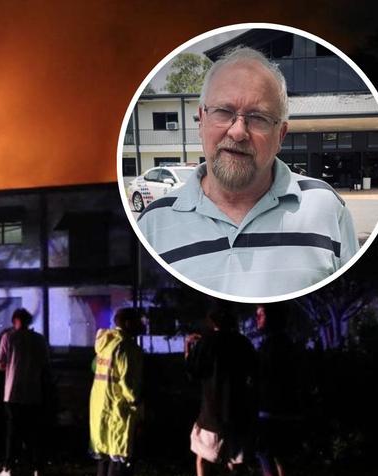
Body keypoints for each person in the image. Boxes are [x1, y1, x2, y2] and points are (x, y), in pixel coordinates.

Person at [138, 46, 359, 297]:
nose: (238, 132)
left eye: (258, 117)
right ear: (201, 120)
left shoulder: (327, 209)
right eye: (224, 112)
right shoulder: (153, 225)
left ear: (281, 135)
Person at [186, 305, 257, 476]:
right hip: (238, 413)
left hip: (211, 414)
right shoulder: (243, 343)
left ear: (212, 322)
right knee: (236, 461)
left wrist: (188, 349)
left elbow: (192, 373)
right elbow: (255, 372)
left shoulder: (206, 343)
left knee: (202, 458)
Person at [89, 308, 144, 476]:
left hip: (101, 410)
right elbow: (129, 386)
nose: (142, 324)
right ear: (128, 323)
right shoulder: (127, 347)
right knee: (119, 467)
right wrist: (138, 408)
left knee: (104, 462)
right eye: (138, 321)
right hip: (119, 412)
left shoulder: (106, 343)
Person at [0, 308, 50, 476]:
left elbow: (1, 364)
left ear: (14, 321)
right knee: (34, 432)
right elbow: (44, 365)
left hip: (12, 393)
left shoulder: (8, 337)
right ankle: (37, 468)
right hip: (33, 392)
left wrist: (12, 366)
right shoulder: (39, 340)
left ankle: (9, 467)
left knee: (12, 432)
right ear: (29, 321)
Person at [254, 303, 303, 476]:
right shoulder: (288, 343)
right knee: (282, 460)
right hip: (288, 412)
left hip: (271, 413)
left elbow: (263, 377)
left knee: (267, 457)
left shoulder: (270, 346)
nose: (257, 319)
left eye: (261, 315)